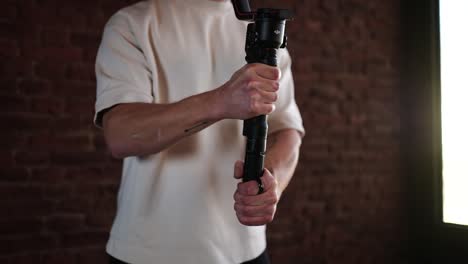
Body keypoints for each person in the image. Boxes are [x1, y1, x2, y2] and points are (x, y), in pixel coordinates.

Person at [94, 0, 305, 263]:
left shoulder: (264, 27)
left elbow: (286, 130)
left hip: (248, 251)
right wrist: (220, 102)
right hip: (149, 253)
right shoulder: (132, 24)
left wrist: (271, 180)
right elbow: (120, 135)